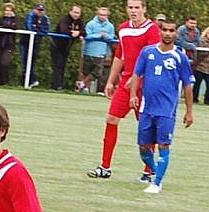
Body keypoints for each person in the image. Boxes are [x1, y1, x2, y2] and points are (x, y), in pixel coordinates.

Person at [86, 0, 159, 180]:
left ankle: (149, 171)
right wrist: (110, 81)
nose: (133, 11)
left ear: (144, 9)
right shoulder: (124, 28)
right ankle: (105, 167)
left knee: (146, 127)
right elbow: (120, 55)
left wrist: (138, 79)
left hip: (145, 85)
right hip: (125, 83)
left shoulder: (152, 29)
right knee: (111, 118)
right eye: (130, 7)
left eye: (137, 7)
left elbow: (152, 58)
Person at [129, 18, 194, 194]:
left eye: (171, 30)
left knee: (163, 145)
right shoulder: (147, 52)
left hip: (166, 110)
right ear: (160, 31)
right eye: (165, 30)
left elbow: (187, 85)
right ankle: (157, 173)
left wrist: (189, 111)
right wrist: (133, 95)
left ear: (175, 33)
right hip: (146, 108)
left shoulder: (180, 57)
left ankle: (156, 183)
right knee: (143, 148)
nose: (167, 33)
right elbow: (137, 75)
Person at [81, 6, 115, 94]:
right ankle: (85, 89)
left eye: (104, 15)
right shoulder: (91, 24)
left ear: (107, 16)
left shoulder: (110, 26)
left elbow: (112, 36)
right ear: (97, 14)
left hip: (101, 53)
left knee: (98, 72)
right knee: (86, 71)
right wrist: (98, 35)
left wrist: (106, 36)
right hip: (89, 51)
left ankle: (82, 84)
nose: (102, 17)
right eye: (100, 15)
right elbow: (87, 35)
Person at [49, 4, 83, 91]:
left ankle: (57, 85)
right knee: (58, 65)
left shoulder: (79, 21)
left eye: (78, 13)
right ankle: (57, 86)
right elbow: (63, 30)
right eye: (75, 12)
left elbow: (85, 32)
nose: (76, 14)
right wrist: (73, 33)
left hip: (66, 48)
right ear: (70, 12)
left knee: (63, 66)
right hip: (56, 46)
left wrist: (78, 33)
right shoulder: (64, 19)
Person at [20, 2, 50, 88]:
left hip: (36, 44)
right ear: (34, 10)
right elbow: (30, 28)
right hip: (25, 43)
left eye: (42, 10)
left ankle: (29, 82)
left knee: (32, 62)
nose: (40, 12)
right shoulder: (30, 16)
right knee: (25, 62)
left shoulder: (45, 18)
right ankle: (29, 81)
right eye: (38, 10)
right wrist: (37, 28)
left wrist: (37, 28)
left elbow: (46, 30)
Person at [192, 25, 209, 105]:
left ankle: (207, 101)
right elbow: (199, 53)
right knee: (197, 85)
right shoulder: (201, 42)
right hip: (201, 66)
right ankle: (194, 99)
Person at [0, 2, 17, 85]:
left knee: (4, 63)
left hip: (8, 45)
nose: (7, 12)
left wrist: (3, 27)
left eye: (9, 10)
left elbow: (14, 27)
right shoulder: (1, 19)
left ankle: (5, 82)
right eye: (6, 10)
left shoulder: (15, 19)